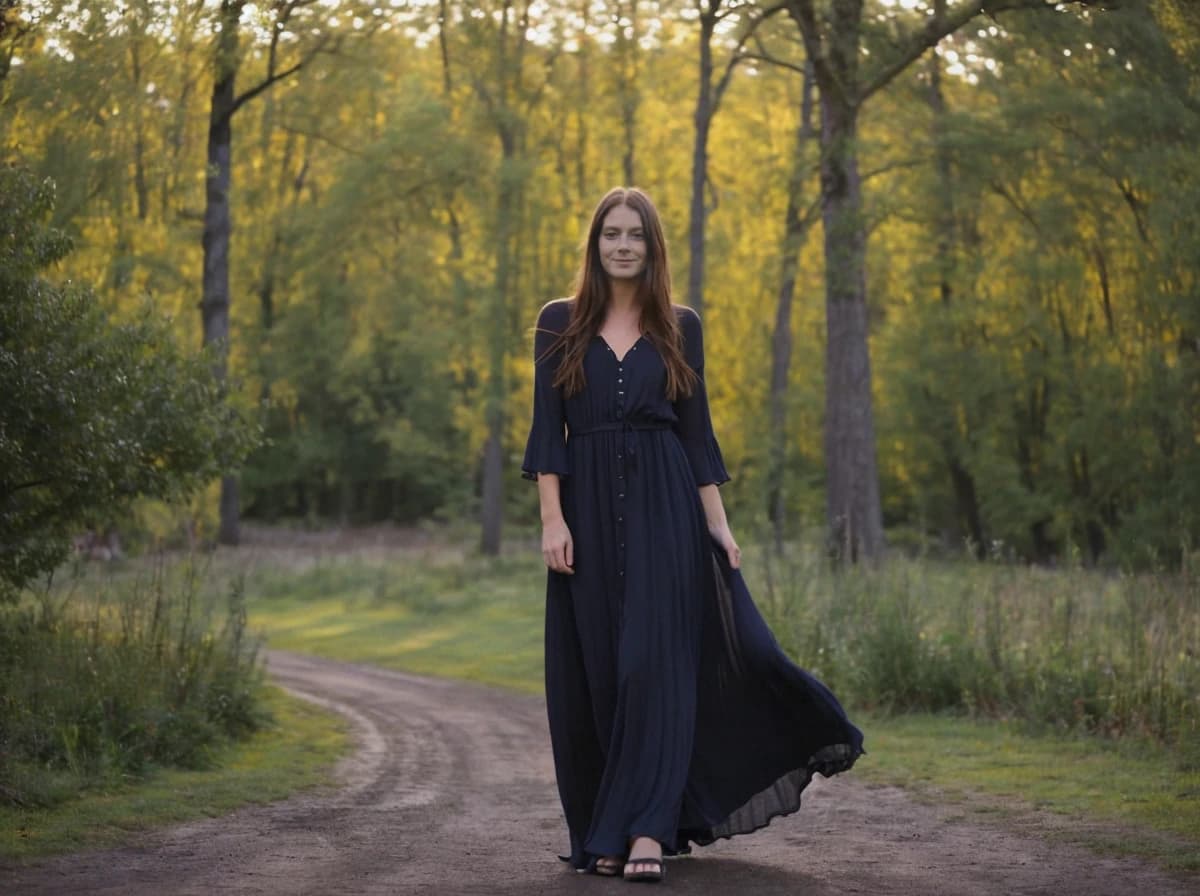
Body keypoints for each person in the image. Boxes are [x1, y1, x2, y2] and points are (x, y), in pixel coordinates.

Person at [522, 186, 863, 884]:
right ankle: (604, 832)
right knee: (597, 676)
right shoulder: (558, 323)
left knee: (655, 668)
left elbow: (696, 434)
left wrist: (719, 525)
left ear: (653, 247)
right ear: (595, 245)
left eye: (635, 235)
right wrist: (553, 521)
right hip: (583, 517)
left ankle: (647, 831)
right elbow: (545, 433)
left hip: (665, 511)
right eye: (611, 234)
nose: (622, 245)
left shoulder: (681, 325)